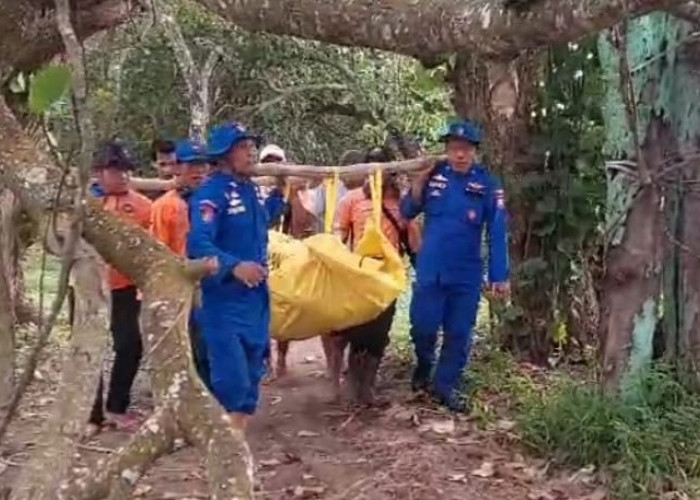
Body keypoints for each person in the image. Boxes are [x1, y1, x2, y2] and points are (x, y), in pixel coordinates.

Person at [400, 119, 510, 412]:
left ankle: (445, 386)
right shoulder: (434, 176)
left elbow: (497, 230)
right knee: (422, 326)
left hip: (466, 273)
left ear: (474, 151)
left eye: (465, 149)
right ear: (447, 150)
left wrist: (499, 275)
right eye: (454, 148)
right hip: (431, 269)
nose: (459, 154)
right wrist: (419, 182)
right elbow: (406, 211)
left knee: (459, 332)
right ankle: (425, 366)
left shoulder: (488, 184)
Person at [187, 122, 284, 432]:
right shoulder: (210, 194)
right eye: (243, 146)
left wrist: (280, 194)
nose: (251, 151)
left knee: (252, 376)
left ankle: (234, 446)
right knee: (232, 379)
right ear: (225, 155)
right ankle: (223, 451)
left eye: (251, 145)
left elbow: (262, 221)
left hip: (256, 298)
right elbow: (198, 244)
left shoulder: (251, 189)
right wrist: (234, 266)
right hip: (224, 301)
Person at [325, 147, 421, 405]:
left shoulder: (402, 205)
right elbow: (337, 236)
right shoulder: (352, 201)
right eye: (372, 168)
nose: (377, 175)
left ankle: (367, 388)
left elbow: (414, 245)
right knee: (355, 330)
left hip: (387, 279)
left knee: (379, 334)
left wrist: (411, 226)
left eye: (384, 169)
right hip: (358, 275)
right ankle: (349, 387)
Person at [87, 141, 153, 434]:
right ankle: (92, 415)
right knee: (89, 350)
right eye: (115, 170)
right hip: (88, 287)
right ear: (98, 173)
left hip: (124, 286)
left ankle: (116, 407)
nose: (123, 176)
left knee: (129, 345)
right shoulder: (85, 204)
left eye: (127, 170)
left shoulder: (143, 206)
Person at [150, 139, 214, 387]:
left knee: (209, 348)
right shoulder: (165, 206)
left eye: (202, 165)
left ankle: (212, 403)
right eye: (191, 166)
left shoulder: (213, 201)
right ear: (178, 169)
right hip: (181, 286)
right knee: (186, 348)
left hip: (214, 285)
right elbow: (159, 250)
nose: (198, 171)